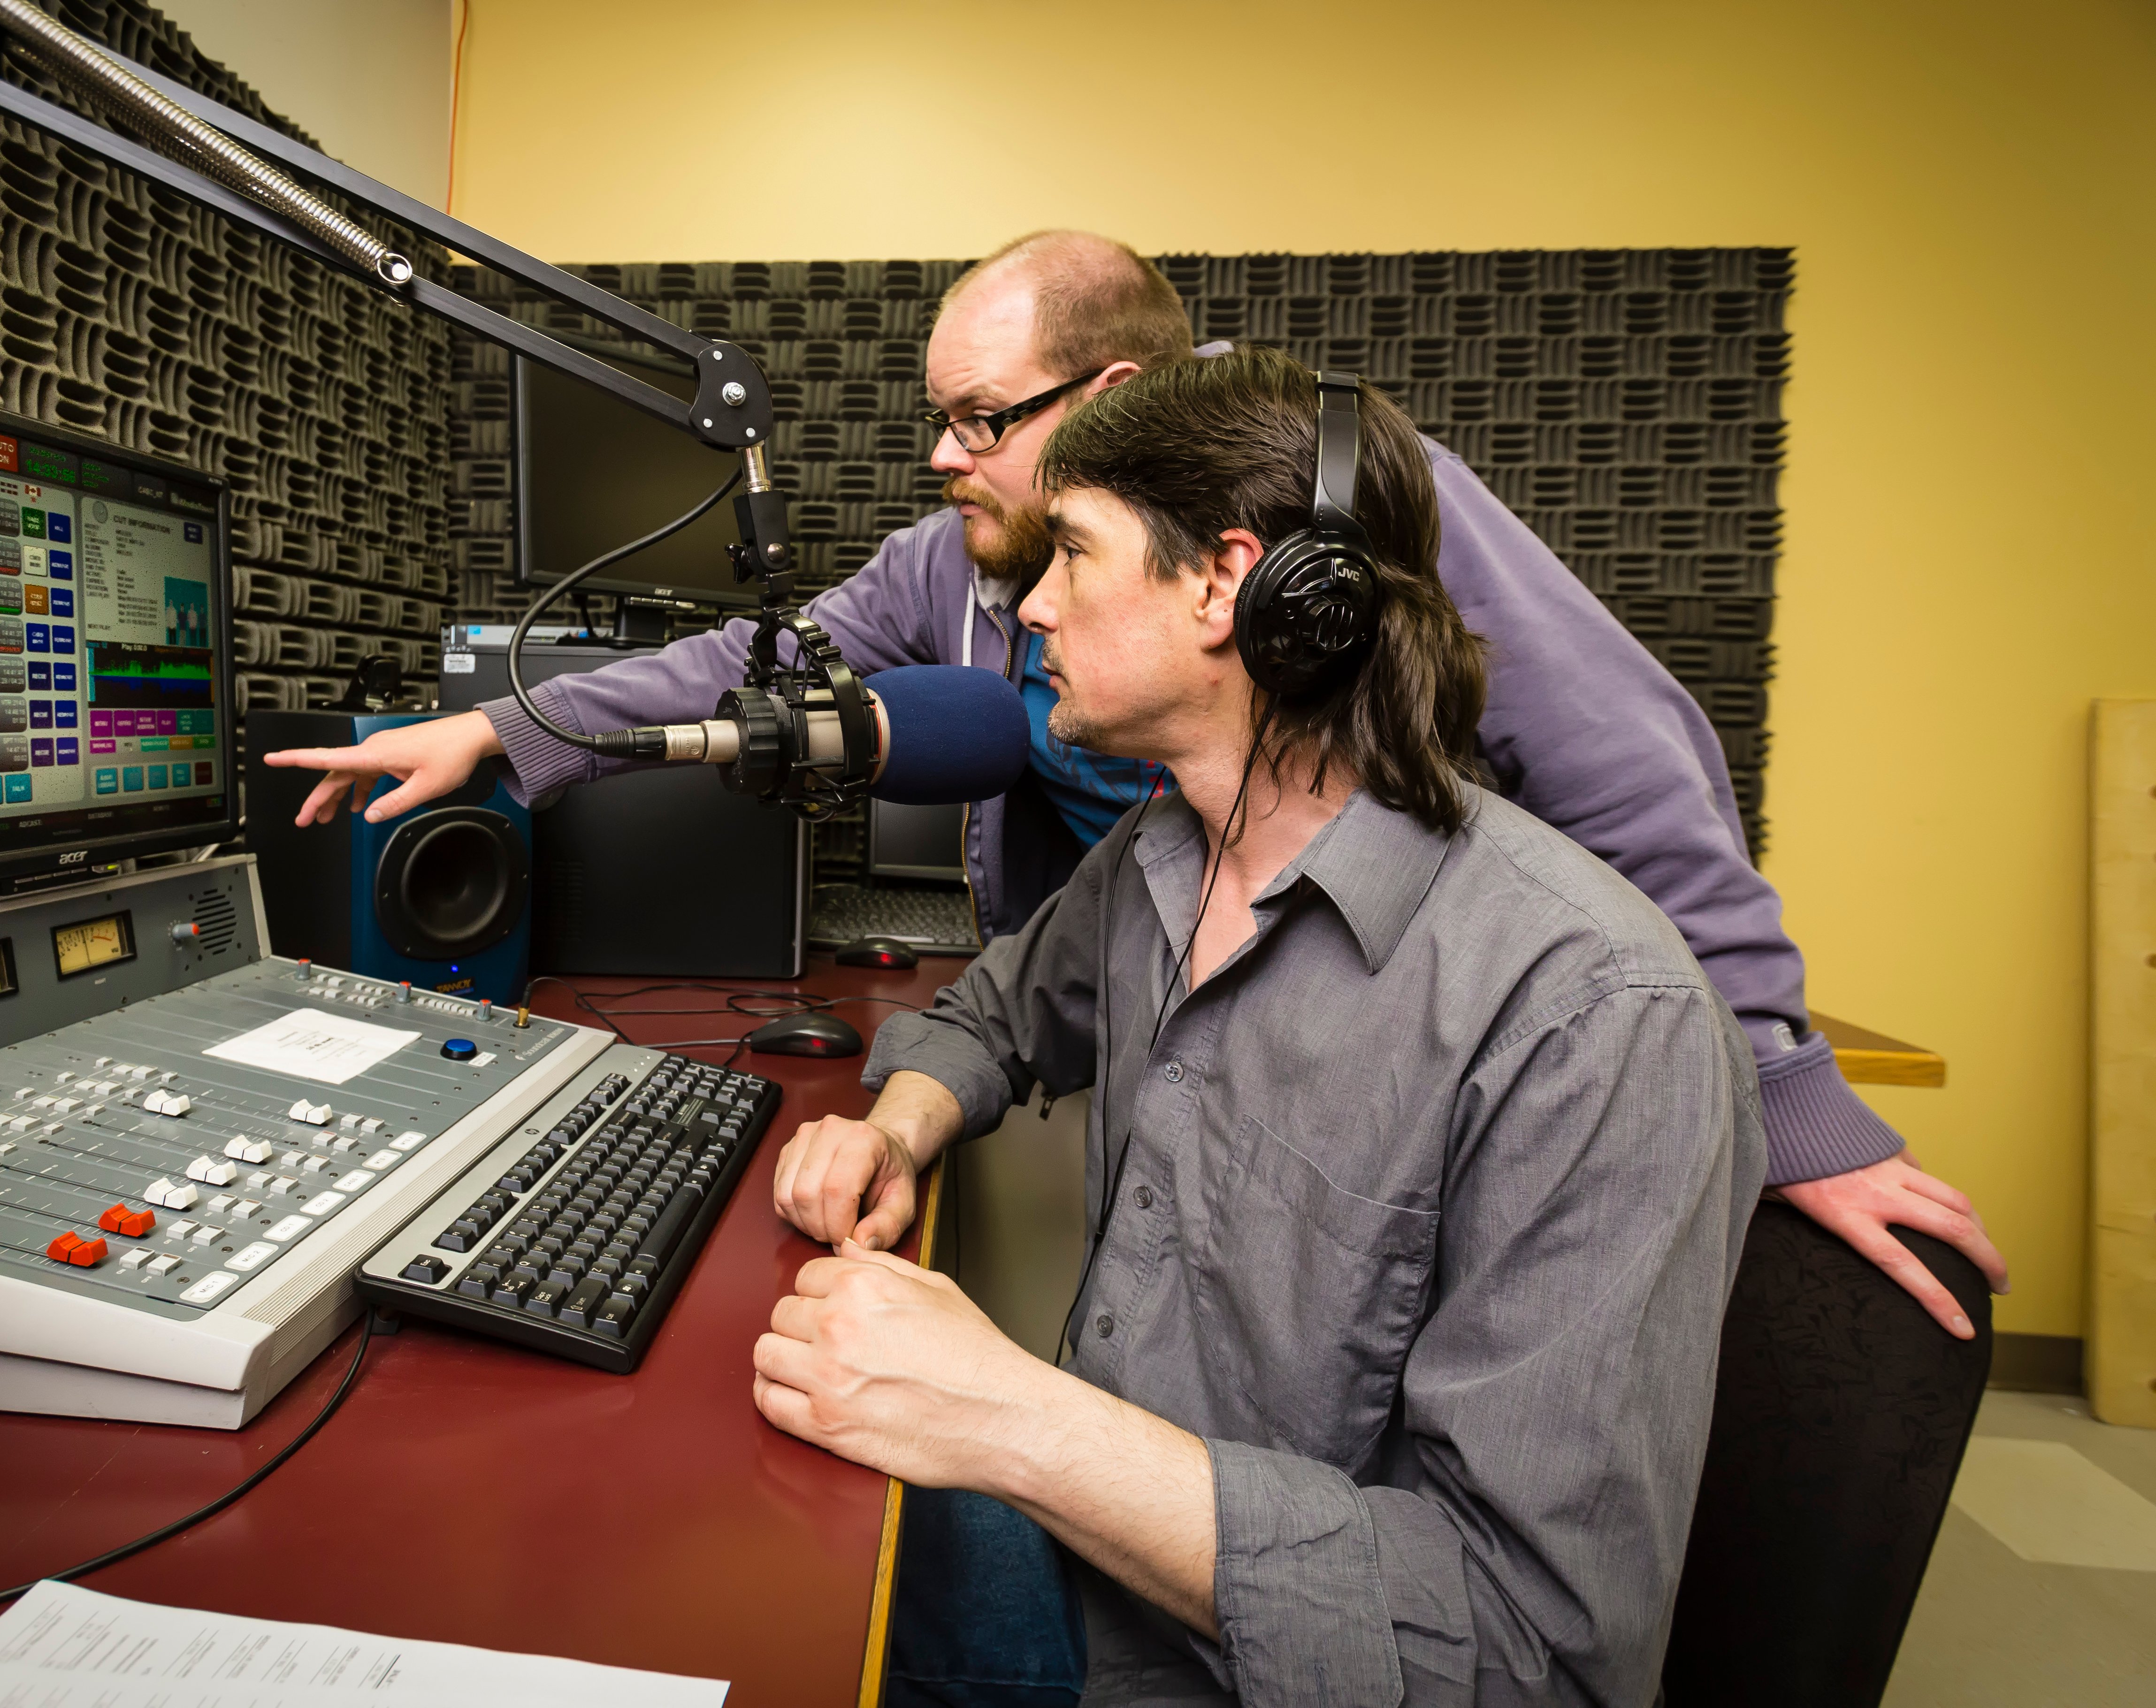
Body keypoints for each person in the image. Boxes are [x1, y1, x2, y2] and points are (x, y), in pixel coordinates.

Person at [264, 230, 2003, 1333]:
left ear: (1113, 409)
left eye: (977, 416)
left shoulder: (1360, 512)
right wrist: (510, 728)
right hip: (1136, 1009)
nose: (941, 457)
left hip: (1376, 1051)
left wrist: (1769, 1087)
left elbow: (1636, 780)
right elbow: (766, 669)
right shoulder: (953, 563)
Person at [752, 349, 1765, 1705]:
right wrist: (899, 1121)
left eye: (1073, 553)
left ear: (1227, 582)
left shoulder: (1593, 1019)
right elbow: (994, 1014)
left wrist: (1010, 1420)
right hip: (1082, 1566)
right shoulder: (1161, 852)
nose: (1034, 608)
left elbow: (1535, 1659)